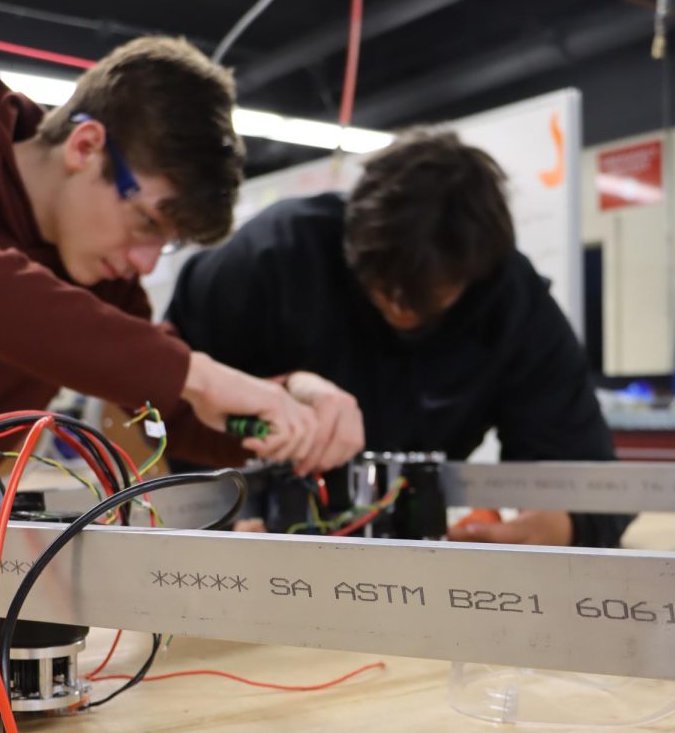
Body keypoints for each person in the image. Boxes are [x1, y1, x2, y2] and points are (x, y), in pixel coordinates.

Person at [167, 128, 631, 548]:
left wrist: (557, 528)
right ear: (353, 239)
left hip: (411, 569)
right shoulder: (268, 259)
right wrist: (217, 520)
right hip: (254, 563)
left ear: (475, 275)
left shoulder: (511, 303)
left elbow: (591, 477)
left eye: (428, 297)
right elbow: (152, 413)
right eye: (383, 290)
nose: (402, 311)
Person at [0, 36, 360, 473]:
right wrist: (198, 374)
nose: (147, 263)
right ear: (85, 146)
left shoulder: (104, 283)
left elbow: (175, 408)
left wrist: (291, 408)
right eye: (148, 224)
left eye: (167, 242)